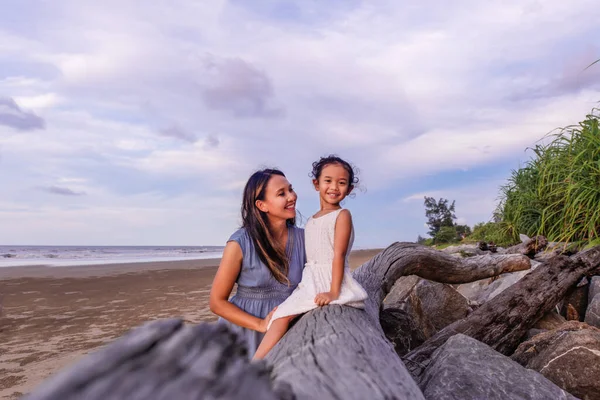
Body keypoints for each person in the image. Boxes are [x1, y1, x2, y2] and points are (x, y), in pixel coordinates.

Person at [253, 155, 368, 359]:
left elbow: (338, 256)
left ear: (349, 189)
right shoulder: (313, 219)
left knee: (283, 317)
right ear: (316, 184)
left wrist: (333, 292)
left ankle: (257, 363)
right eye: (328, 181)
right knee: (280, 316)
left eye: (341, 183)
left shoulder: (342, 215)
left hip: (330, 280)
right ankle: (258, 362)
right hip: (310, 280)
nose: (334, 187)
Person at [209, 168, 306, 357]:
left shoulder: (306, 238)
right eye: (281, 193)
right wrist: (260, 324)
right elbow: (216, 302)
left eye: (291, 190)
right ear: (262, 205)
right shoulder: (239, 243)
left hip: (290, 329)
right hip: (242, 333)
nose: (291, 196)